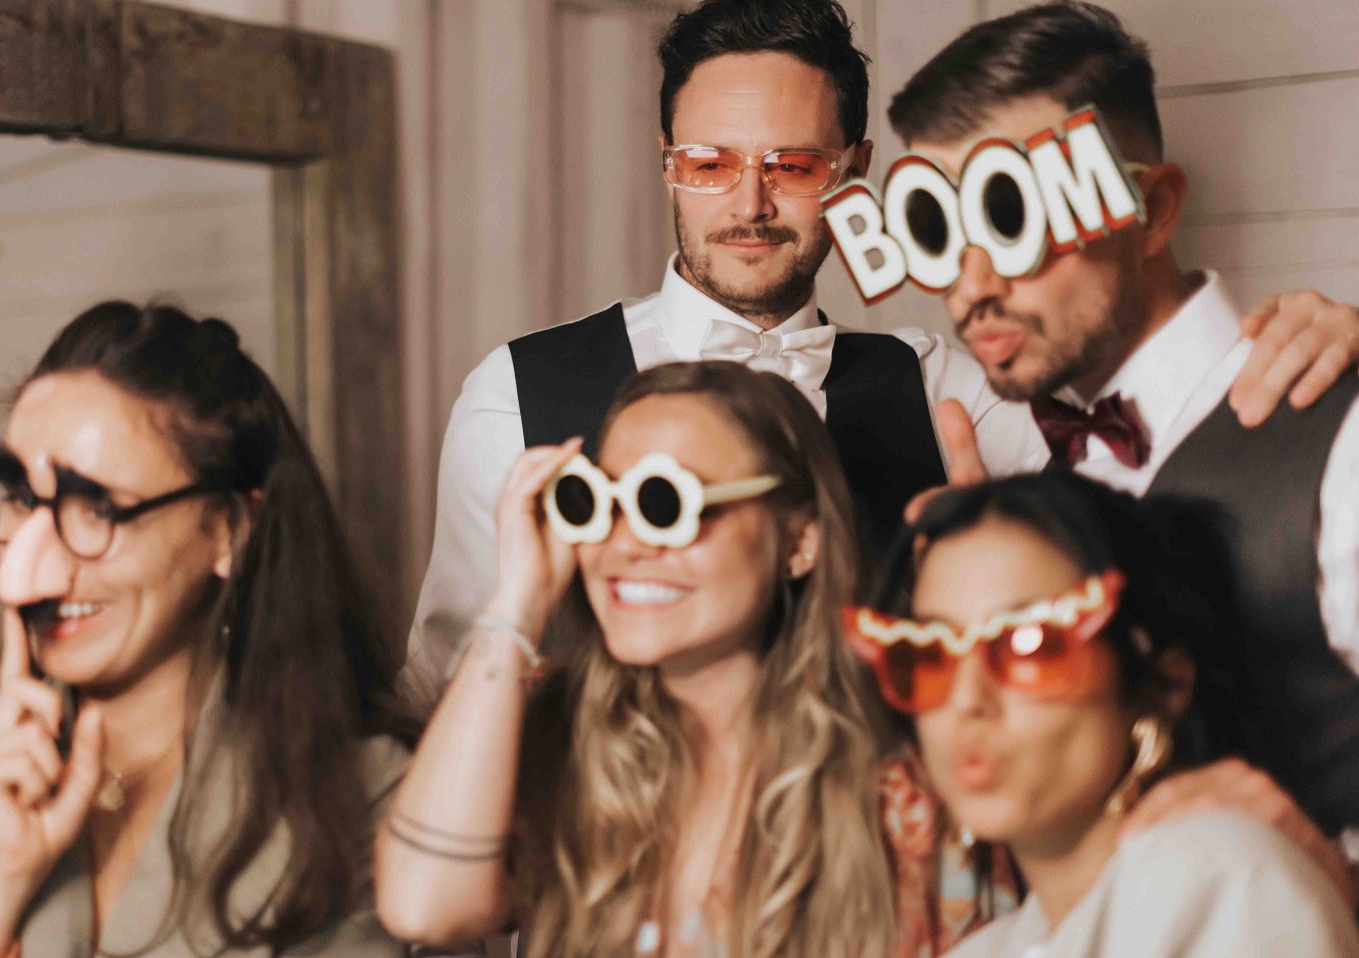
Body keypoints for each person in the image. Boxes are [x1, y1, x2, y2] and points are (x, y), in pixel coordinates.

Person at [404, 0, 1359, 706]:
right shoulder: (515, 393)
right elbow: (443, 696)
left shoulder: (958, 386)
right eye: (709, 165)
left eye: (792, 166)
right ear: (667, 165)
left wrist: (1329, 338)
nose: (748, 204)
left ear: (855, 175)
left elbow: (1162, 469)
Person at [887, 0, 1359, 853]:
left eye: (1012, 217)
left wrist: (1328, 863)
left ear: (1154, 208)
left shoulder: (1340, 432)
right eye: (938, 233)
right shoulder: (1020, 476)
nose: (972, 286)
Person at [0, 303, 412, 957]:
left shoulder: (357, 797)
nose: (37, 570)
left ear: (229, 531)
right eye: (20, 497)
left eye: (98, 507)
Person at [376, 362, 926, 958]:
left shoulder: (896, 774)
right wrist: (517, 603)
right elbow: (422, 906)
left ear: (798, 542)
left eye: (665, 502)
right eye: (600, 502)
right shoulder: (563, 741)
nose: (625, 543)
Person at [843, 472, 1359, 956]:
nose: (966, 700)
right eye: (929, 655)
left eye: (1031, 646)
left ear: (1164, 686)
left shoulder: (1221, 882)